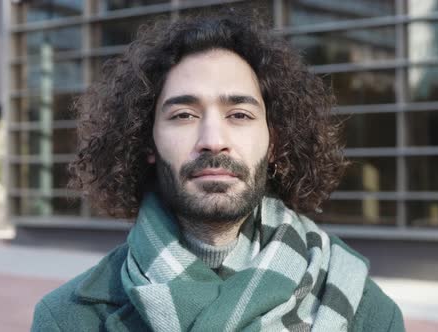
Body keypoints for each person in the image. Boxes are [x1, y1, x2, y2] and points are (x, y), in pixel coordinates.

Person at [31, 12, 404, 332]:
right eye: (184, 115)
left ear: (275, 141)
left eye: (239, 115)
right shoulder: (67, 319)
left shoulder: (367, 312)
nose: (213, 140)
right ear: (146, 142)